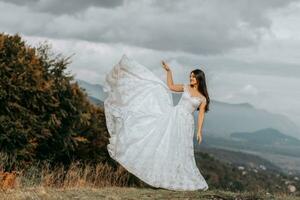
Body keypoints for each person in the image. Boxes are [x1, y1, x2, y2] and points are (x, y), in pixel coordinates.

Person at [103, 54, 209, 191]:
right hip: (174, 116)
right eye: (190, 76)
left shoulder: (202, 98)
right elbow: (170, 86)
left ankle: (177, 175)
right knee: (165, 143)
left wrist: (199, 131)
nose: (191, 78)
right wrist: (169, 72)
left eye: (193, 77)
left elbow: (200, 115)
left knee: (181, 148)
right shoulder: (186, 88)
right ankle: (164, 174)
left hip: (186, 122)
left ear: (199, 78)